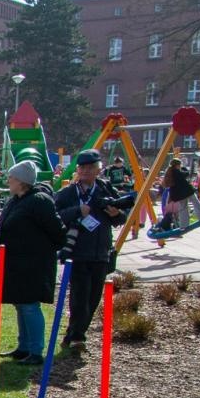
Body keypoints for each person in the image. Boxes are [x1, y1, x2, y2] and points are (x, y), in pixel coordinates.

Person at [55, 149, 129, 354]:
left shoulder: (105, 190)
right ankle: (78, 336)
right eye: (83, 168)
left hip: (100, 252)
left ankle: (74, 333)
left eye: (91, 168)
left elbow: (121, 216)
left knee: (93, 297)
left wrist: (117, 214)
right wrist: (78, 211)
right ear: (78, 170)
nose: (86, 171)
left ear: (98, 169)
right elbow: (56, 216)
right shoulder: (68, 193)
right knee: (79, 295)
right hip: (77, 252)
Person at [0, 160, 68, 366]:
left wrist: (40, 249)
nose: (8, 180)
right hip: (16, 261)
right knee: (21, 305)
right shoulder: (16, 200)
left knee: (29, 305)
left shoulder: (39, 201)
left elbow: (57, 231)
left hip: (33, 263)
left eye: (11, 177)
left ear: (22, 181)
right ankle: (24, 347)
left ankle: (36, 350)